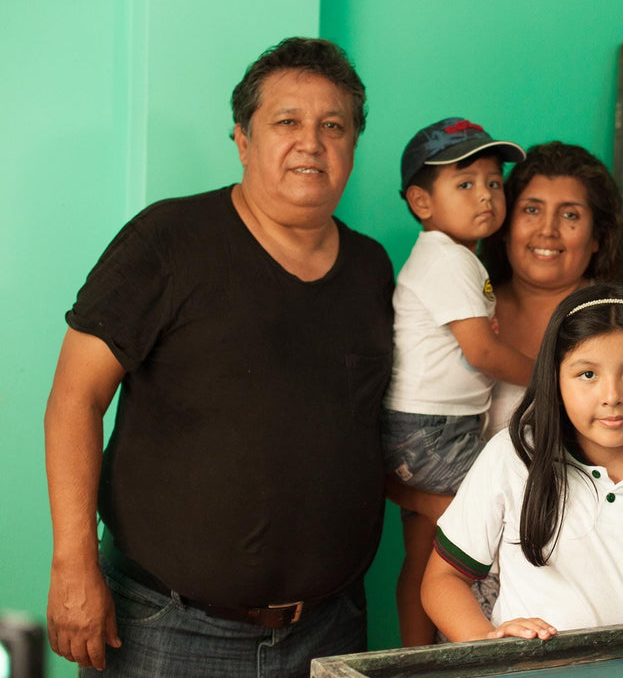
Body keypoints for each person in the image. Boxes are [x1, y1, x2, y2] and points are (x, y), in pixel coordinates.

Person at [44, 37, 393, 677]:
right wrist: (72, 563)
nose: (311, 143)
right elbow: (75, 398)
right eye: (286, 122)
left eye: (333, 126)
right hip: (168, 629)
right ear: (242, 140)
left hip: (333, 629)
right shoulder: (167, 240)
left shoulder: (372, 268)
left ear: (352, 144)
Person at [420, 284, 623, 641]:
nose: (612, 396)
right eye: (587, 374)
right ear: (555, 379)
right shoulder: (515, 456)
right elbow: (443, 578)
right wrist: (488, 641)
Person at [382, 117, 533, 646]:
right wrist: (549, 379)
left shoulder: (451, 257)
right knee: (509, 501)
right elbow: (483, 352)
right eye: (465, 184)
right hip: (433, 432)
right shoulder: (449, 260)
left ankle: (414, 657)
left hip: (423, 430)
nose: (486, 195)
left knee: (424, 554)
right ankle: (478, 642)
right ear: (422, 202)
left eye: (494, 182)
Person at [480, 140, 623, 437]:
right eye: (532, 210)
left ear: (597, 237)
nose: (547, 230)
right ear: (505, 226)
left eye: (570, 215)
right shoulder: (467, 310)